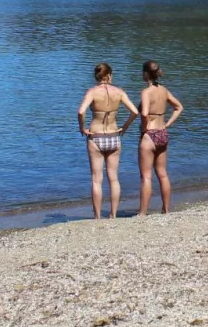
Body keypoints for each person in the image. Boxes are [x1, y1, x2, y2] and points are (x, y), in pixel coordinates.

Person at [77, 64, 140, 219]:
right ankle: (113, 214)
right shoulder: (119, 92)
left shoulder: (92, 92)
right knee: (114, 178)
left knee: (96, 180)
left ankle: (97, 216)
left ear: (96, 76)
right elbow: (135, 111)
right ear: (110, 75)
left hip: (96, 137)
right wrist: (125, 126)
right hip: (114, 136)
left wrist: (82, 128)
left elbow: (81, 111)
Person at [136, 60, 185, 218]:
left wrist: (144, 128)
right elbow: (179, 107)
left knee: (146, 176)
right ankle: (166, 209)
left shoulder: (146, 92)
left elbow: (144, 113)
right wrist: (168, 123)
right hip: (162, 133)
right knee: (163, 174)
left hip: (149, 135)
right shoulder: (164, 90)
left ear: (145, 74)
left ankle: (142, 212)